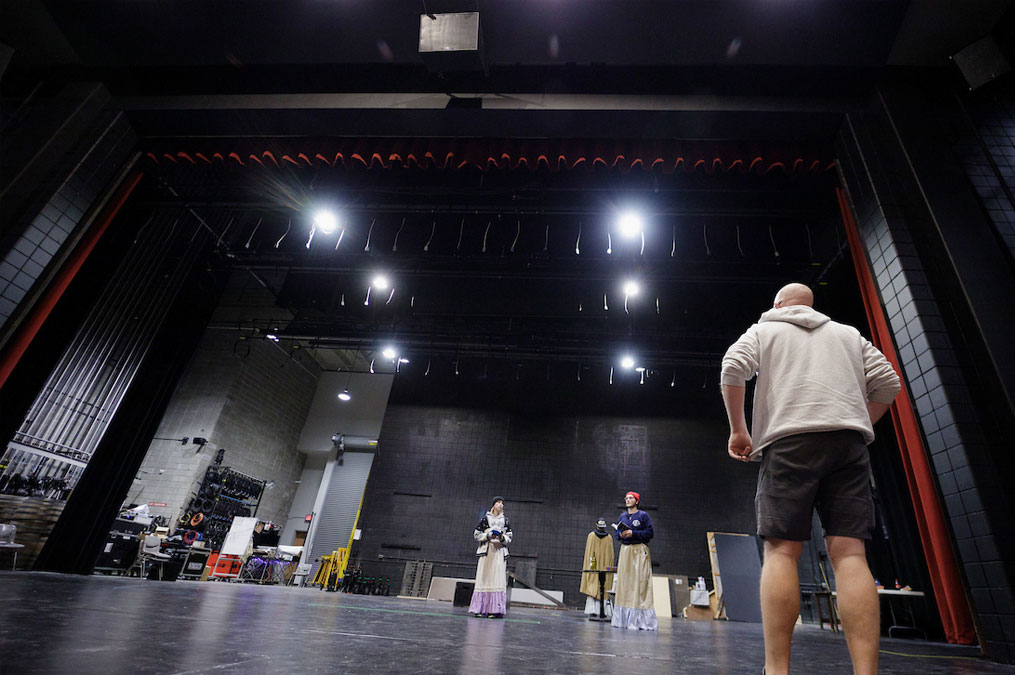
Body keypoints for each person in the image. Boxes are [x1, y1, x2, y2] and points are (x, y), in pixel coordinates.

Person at [720, 282, 900, 675]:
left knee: (782, 552)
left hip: (789, 442)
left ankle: (777, 670)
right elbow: (889, 383)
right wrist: (856, 419)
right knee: (851, 555)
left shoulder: (764, 329)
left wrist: (739, 431)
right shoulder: (848, 334)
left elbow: (732, 367)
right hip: (848, 444)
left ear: (777, 304)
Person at [611, 491, 657, 630]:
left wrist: (633, 533)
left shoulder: (643, 515)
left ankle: (640, 620)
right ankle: (622, 620)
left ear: (637, 501)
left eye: (631, 498)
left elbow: (649, 533)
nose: (628, 500)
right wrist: (621, 534)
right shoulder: (622, 516)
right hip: (626, 551)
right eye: (626, 498)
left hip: (639, 551)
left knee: (639, 582)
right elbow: (617, 534)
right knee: (624, 583)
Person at [469, 496, 512, 618]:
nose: (501, 505)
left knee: (497, 579)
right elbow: (476, 534)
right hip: (487, 552)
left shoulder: (505, 520)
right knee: (484, 578)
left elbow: (509, 536)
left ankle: (495, 610)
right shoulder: (485, 519)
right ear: (493, 505)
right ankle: (480, 609)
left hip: (499, 552)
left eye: (502, 503)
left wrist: (502, 538)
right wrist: (488, 535)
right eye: (498, 502)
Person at [580, 518, 615, 617]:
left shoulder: (606, 537)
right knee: (596, 584)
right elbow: (591, 553)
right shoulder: (594, 536)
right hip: (597, 567)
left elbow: (609, 556)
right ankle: (596, 609)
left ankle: (597, 610)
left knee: (598, 584)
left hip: (599, 567)